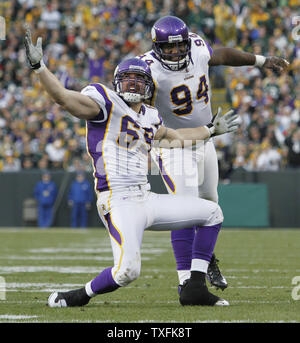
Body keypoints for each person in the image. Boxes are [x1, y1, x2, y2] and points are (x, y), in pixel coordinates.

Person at [24, 27, 239, 307]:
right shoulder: (104, 102)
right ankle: (79, 295)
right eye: (128, 80)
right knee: (127, 272)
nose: (134, 85)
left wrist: (209, 131)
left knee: (212, 212)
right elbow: (64, 98)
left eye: (140, 80)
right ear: (117, 83)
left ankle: (194, 287)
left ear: (149, 86)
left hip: (146, 197)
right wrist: (39, 67)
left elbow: (176, 138)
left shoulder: (150, 116)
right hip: (118, 200)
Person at [137, 15, 289, 291]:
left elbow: (222, 55)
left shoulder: (195, 46)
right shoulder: (147, 68)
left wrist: (260, 60)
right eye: (168, 48)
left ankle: (204, 261)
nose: (175, 52)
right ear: (157, 47)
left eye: (178, 46)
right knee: (184, 209)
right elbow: (139, 109)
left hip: (206, 139)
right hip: (173, 146)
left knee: (210, 205)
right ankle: (186, 281)